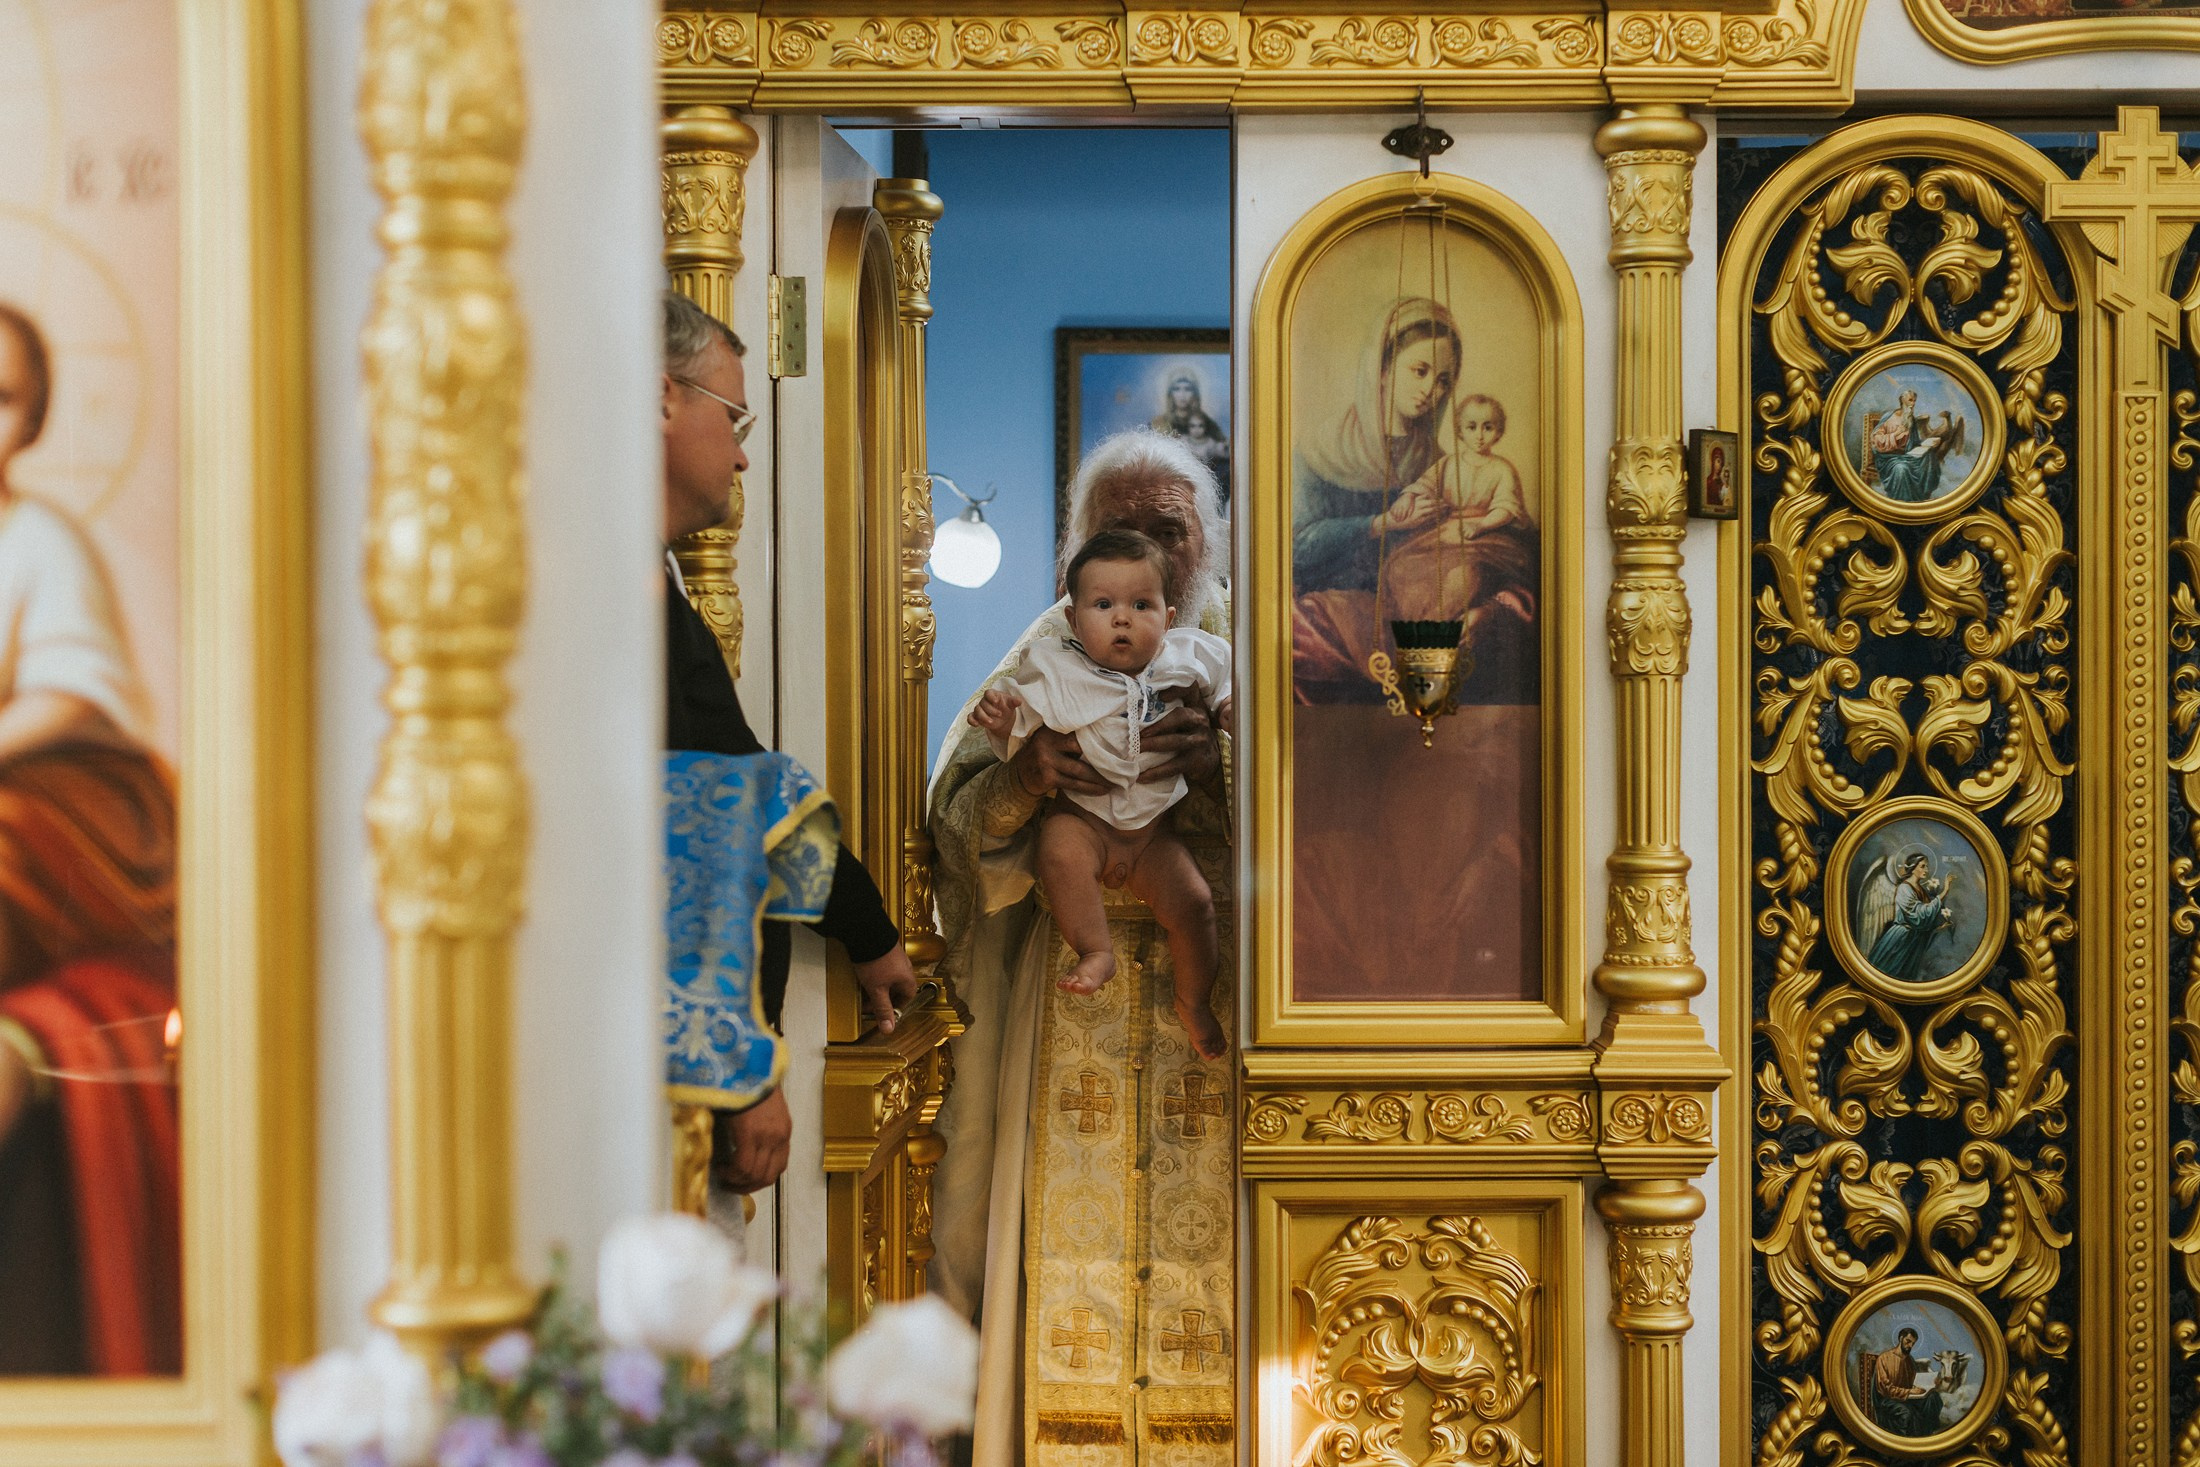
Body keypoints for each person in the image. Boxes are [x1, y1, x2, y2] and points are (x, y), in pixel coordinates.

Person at [928, 428, 1233, 1460]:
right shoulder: (1045, 657)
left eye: (1169, 529)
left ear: (1207, 543)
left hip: (1213, 986)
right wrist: (1027, 779)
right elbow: (953, 827)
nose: (1148, 549)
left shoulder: (1228, 660)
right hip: (1069, 989)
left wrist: (1223, 769)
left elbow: (1321, 833)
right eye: (1121, 526)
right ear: (1079, 554)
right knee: (1066, 1250)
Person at [658, 290, 918, 1192]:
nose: (741, 453)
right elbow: (690, 841)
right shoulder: (604, 587)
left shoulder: (643, 579)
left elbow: (742, 783)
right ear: (661, 399)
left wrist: (866, 928)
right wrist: (740, 1073)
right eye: (733, 418)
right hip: (668, 1087)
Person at [0, 301, 181, 1374]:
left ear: (33, 420)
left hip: (60, 796)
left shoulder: (40, 540)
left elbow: (70, 693)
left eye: (1, 398)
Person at [967, 528, 1231, 1058]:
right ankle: (1094, 952)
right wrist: (1009, 734)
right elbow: (1008, 732)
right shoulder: (1052, 659)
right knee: (1060, 848)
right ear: (1074, 615)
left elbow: (1239, 694)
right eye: (1104, 604)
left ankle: (1195, 1001)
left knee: (1195, 903)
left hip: (1158, 839)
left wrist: (1224, 737)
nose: (1121, 618)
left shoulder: (1198, 648)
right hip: (1084, 825)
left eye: (1141, 604)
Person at [1378, 392, 1531, 624]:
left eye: (1488, 427)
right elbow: (1426, 484)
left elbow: (1506, 508)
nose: (1479, 435)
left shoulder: (1502, 469)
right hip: (1443, 533)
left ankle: (1439, 626)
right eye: (1472, 427)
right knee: (1402, 566)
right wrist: (1407, 497)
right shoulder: (1449, 463)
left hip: (1484, 538)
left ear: (1498, 432)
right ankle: (1416, 626)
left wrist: (1480, 525)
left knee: (1462, 575)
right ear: (1460, 430)